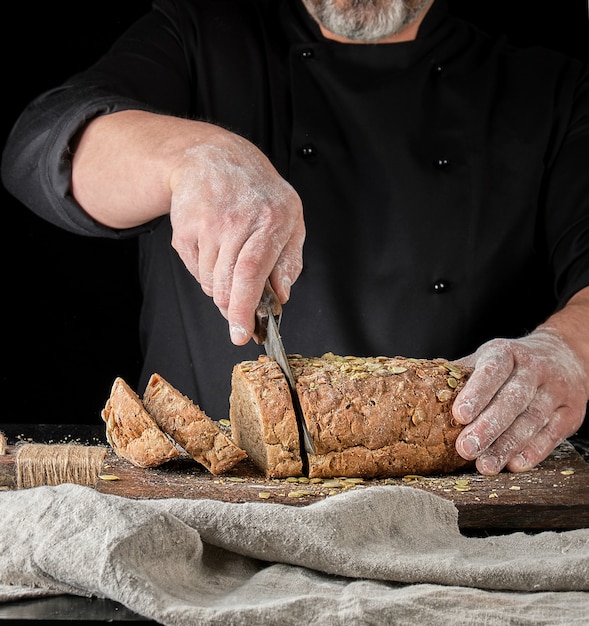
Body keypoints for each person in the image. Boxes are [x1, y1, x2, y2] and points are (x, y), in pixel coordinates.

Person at [2, 0, 588, 476]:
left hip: (463, 517)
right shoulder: (198, 39)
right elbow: (40, 147)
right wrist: (191, 157)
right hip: (202, 511)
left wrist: (570, 353)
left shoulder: (552, 89)